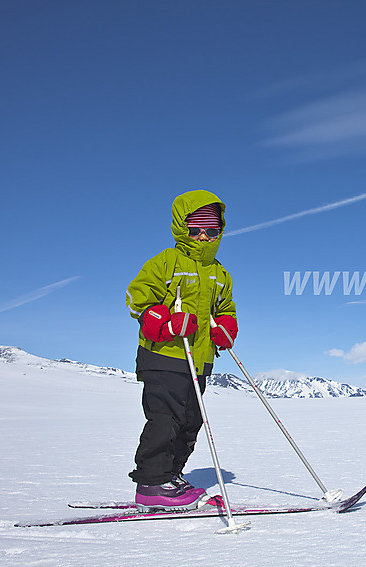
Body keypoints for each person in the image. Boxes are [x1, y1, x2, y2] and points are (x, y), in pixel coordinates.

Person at [125, 189, 239, 511]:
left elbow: (226, 309)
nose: (203, 235)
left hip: (198, 359)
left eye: (211, 228)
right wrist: (165, 320)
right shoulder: (166, 262)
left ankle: (170, 477)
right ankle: (151, 483)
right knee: (166, 418)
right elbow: (137, 298)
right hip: (164, 355)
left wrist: (225, 328)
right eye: (196, 227)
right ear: (181, 227)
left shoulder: (220, 273)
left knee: (191, 421)